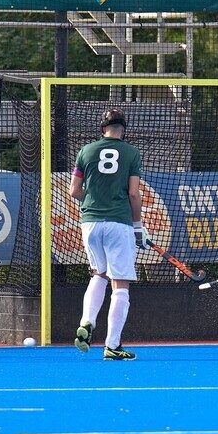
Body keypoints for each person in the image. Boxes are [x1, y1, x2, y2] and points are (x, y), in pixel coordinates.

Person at [69, 108, 151, 360]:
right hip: (119, 224)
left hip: (90, 223)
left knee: (99, 274)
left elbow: (74, 191)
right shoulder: (131, 153)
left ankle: (86, 322)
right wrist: (137, 225)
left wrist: (94, 200)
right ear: (123, 129)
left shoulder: (86, 151)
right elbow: (134, 193)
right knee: (121, 285)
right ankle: (112, 345)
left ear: (102, 129)